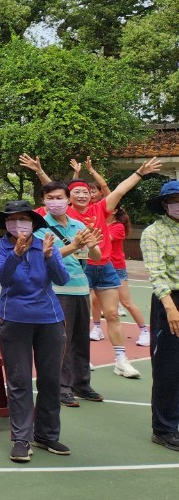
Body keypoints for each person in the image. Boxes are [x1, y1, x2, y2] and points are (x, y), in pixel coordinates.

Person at [22, 154, 159, 381]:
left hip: (104, 266)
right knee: (76, 322)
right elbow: (53, 191)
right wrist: (39, 170)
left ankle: (120, 360)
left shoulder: (100, 209)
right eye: (77, 192)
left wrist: (139, 173)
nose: (83, 194)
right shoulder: (66, 214)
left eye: (86, 191)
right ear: (68, 198)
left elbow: (119, 191)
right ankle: (76, 363)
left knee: (113, 313)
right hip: (79, 269)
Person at [0, 200, 69, 462]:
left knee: (50, 379)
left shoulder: (46, 244)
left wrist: (48, 256)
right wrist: (16, 254)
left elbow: (61, 279)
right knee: (19, 380)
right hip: (14, 320)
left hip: (49, 319)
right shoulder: (0, 248)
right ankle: (21, 438)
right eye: (11, 219)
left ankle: (47, 434)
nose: (17, 224)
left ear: (33, 223)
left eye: (23, 218)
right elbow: (1, 276)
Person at [30, 180, 102, 408]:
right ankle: (62, 387)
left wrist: (91, 244)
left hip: (81, 288)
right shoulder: (40, 228)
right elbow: (47, 255)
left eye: (59, 197)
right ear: (43, 201)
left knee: (81, 339)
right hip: (57, 290)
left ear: (68, 199)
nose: (55, 202)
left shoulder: (78, 225)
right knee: (62, 341)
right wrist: (74, 245)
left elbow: (97, 256)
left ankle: (82, 383)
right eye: (50, 198)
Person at [141, 180, 179, 451]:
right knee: (168, 366)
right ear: (165, 205)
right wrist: (170, 308)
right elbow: (156, 274)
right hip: (170, 300)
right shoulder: (153, 232)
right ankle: (164, 428)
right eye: (174, 201)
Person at [100, 206, 149, 346]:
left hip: (116, 267)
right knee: (95, 301)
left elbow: (105, 240)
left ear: (115, 211)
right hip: (100, 266)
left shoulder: (118, 226)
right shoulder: (101, 223)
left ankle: (145, 331)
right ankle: (96, 328)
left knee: (126, 301)